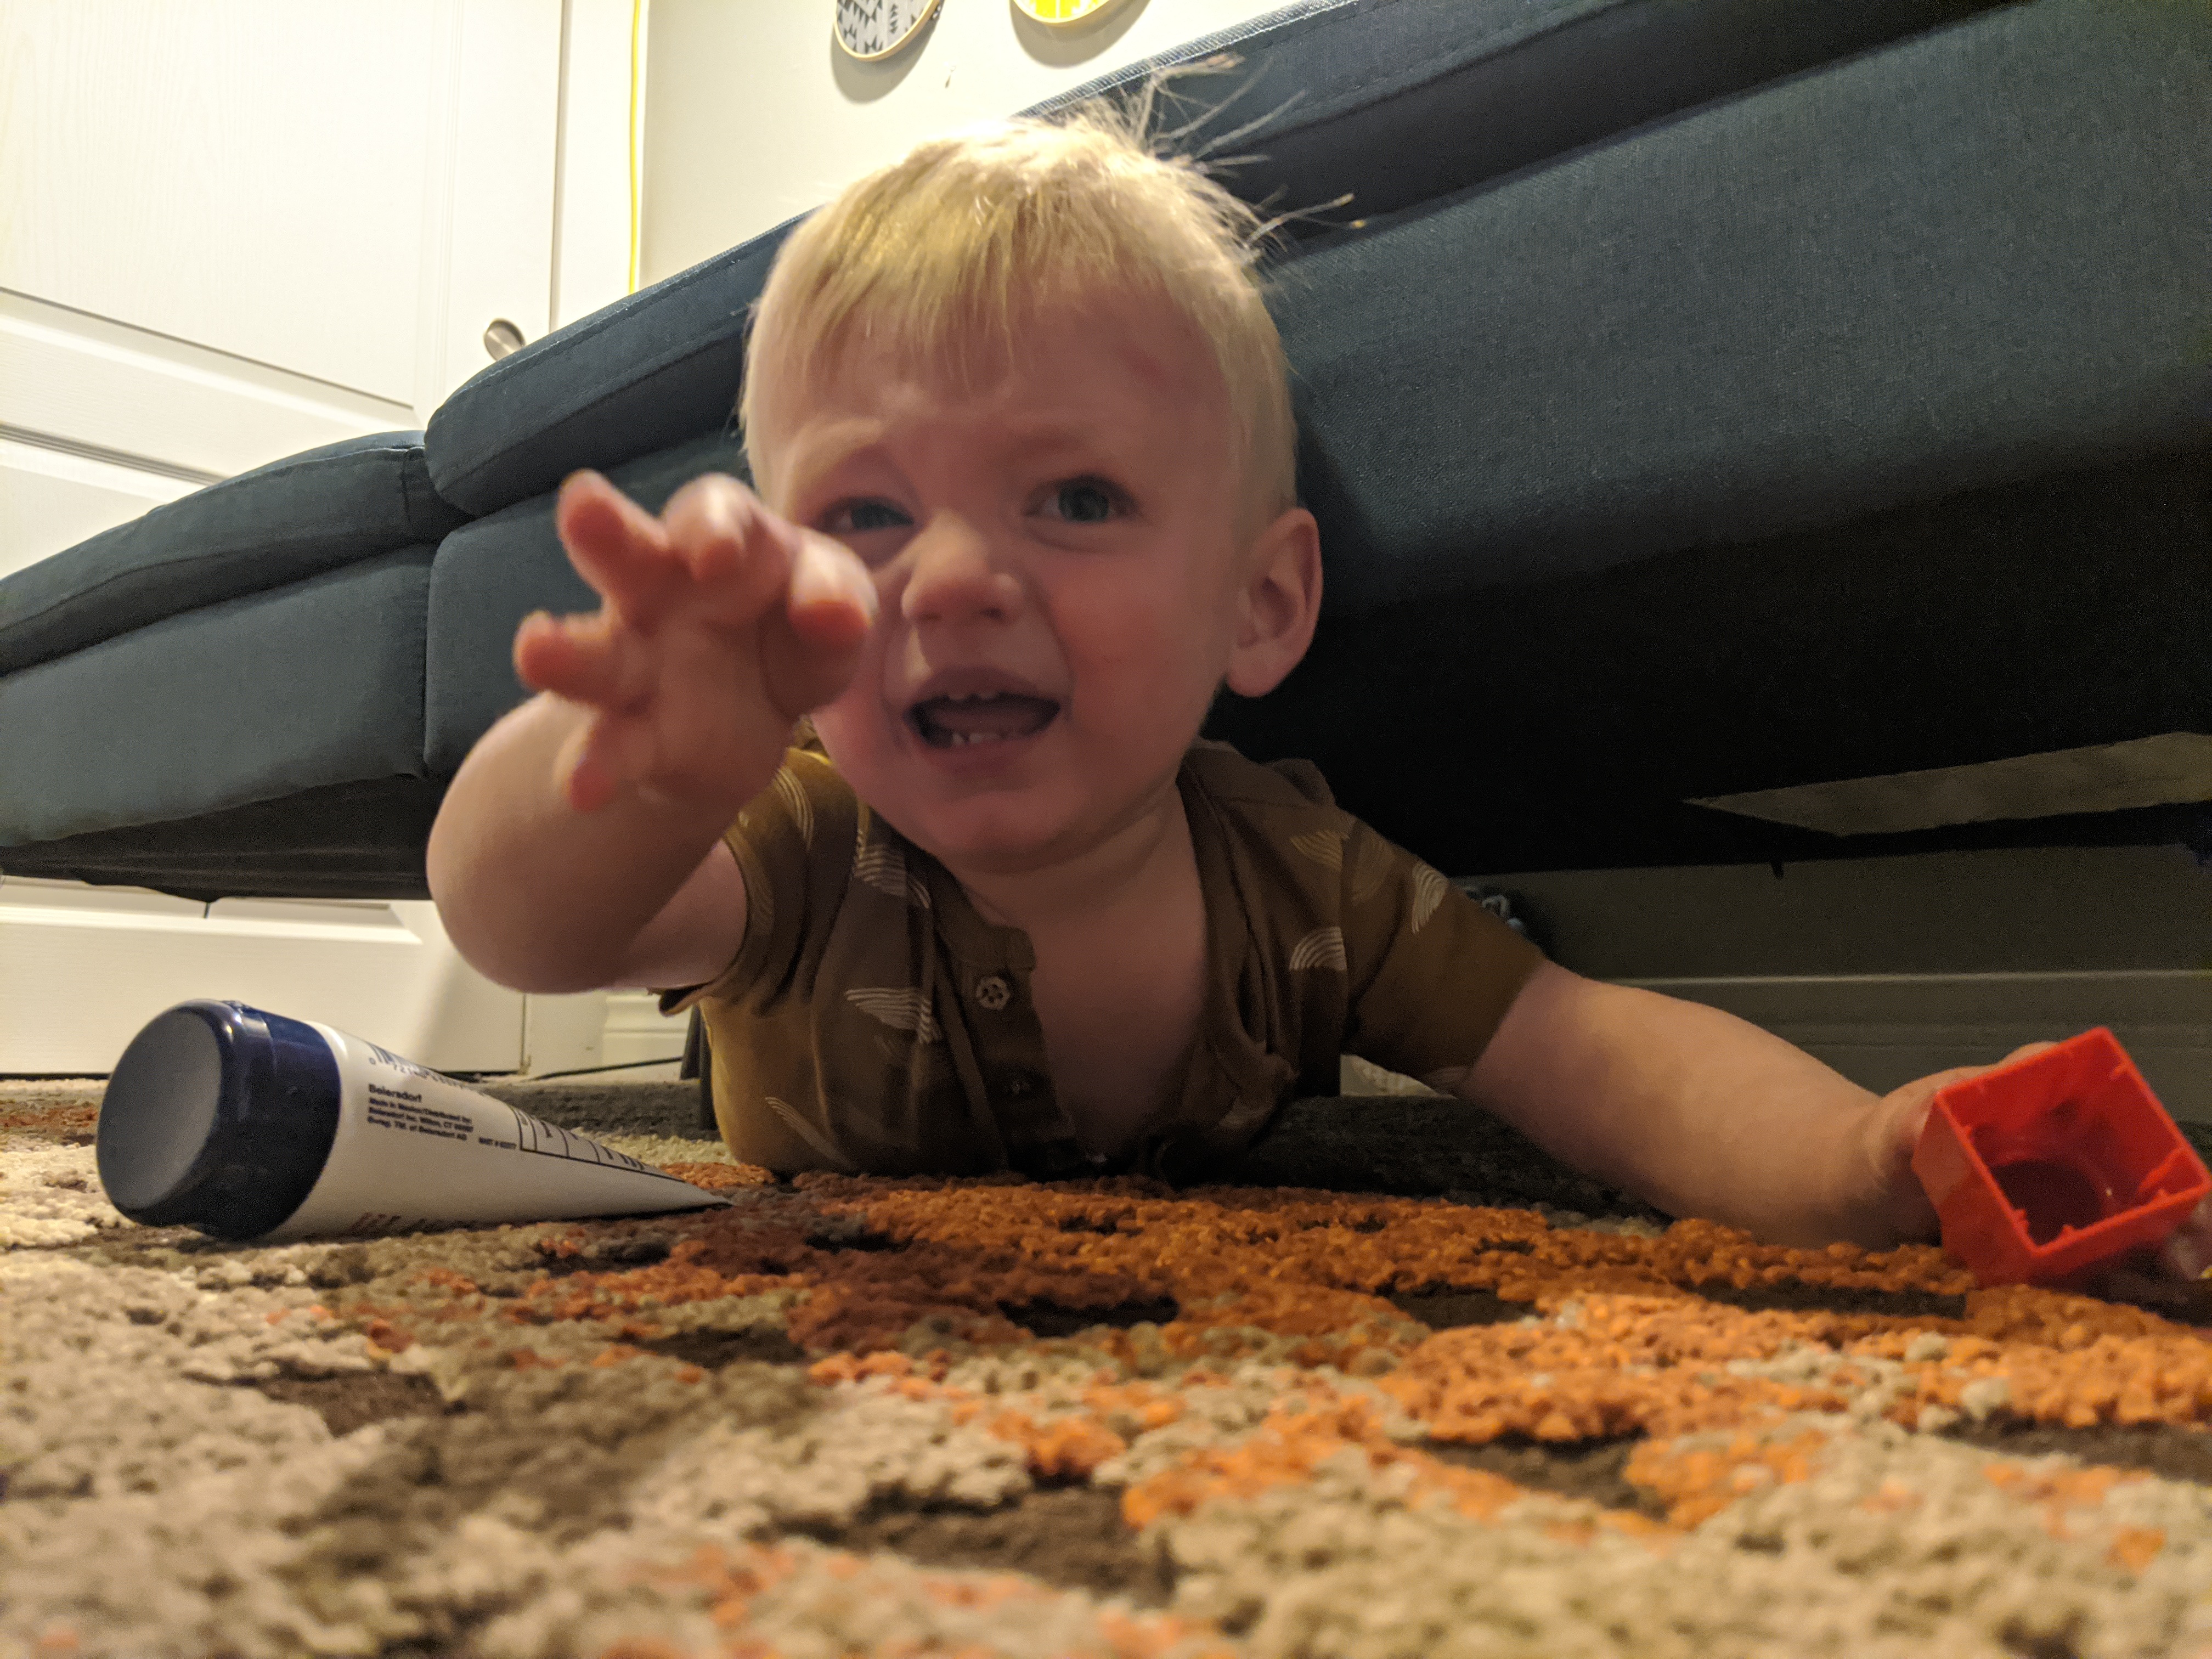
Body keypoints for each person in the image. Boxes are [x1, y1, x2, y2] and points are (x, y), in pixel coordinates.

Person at [426, 111, 2211, 1279]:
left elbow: (1583, 1048)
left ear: (1260, 604)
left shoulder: (1304, 880)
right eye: (869, 514)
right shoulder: (799, 846)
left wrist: (1854, 1157)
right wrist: (646, 764)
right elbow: (521, 920)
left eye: (1078, 500)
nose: (955, 578)